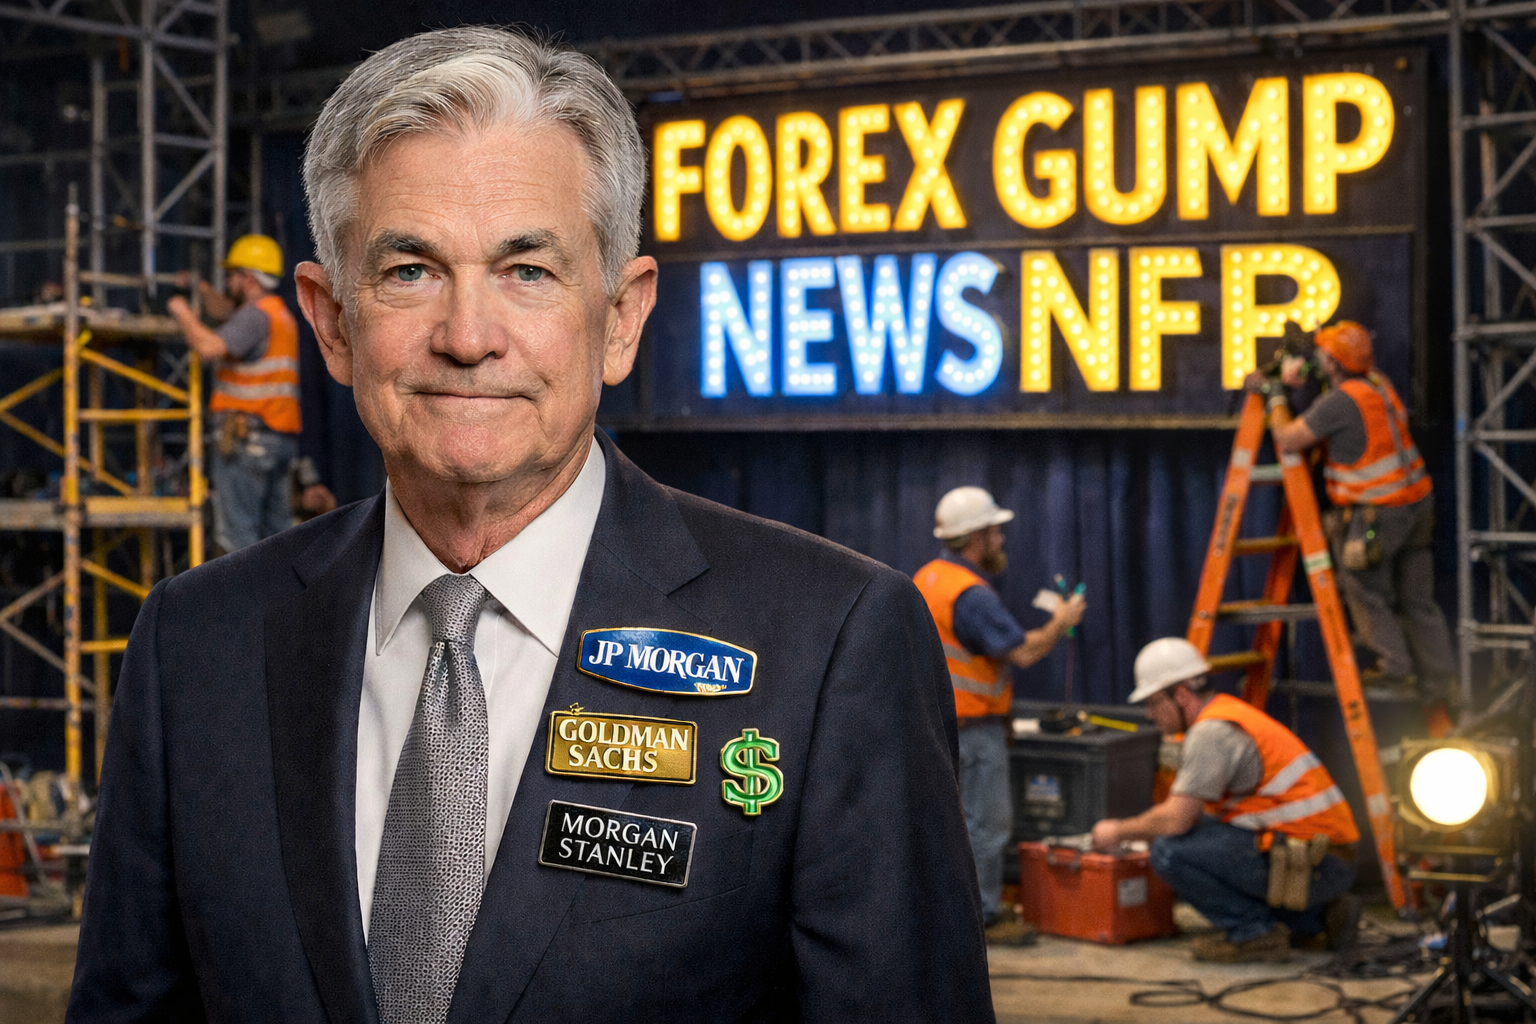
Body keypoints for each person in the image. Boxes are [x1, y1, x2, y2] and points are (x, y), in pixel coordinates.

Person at [69, 27, 994, 1023]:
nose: (469, 337)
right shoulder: (195, 645)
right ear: (331, 321)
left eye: (528, 271)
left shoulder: (832, 645)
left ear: (621, 317)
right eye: (410, 270)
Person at [1090, 638, 1361, 962]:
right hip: (1328, 858)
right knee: (1203, 833)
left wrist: (1117, 831)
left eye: (1153, 702)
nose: (1150, 714)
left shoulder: (1212, 732)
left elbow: (1176, 820)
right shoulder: (1226, 713)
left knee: (1169, 851)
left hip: (1316, 863)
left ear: (1181, 694)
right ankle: (1318, 919)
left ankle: (1254, 935)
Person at [1255, 320, 1457, 718]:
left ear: (1333, 362)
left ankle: (1395, 667)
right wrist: (1307, 372)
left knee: (1362, 586)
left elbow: (1289, 439)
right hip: (1417, 505)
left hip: (1379, 511)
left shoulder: (1340, 402)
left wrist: (1274, 393)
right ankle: (1441, 679)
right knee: (1417, 599)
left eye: (1323, 355)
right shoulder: (1378, 384)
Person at [913, 486, 1086, 945]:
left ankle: (947, 915)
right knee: (986, 827)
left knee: (945, 828)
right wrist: (1063, 620)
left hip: (934, 727)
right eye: (995, 531)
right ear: (976, 537)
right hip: (973, 731)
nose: (1001, 540)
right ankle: (985, 917)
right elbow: (1022, 652)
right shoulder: (970, 594)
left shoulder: (927, 578)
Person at [167, 235, 334, 553]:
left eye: (232, 275)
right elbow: (225, 312)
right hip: (278, 442)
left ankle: (245, 591)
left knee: (238, 543)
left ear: (248, 278)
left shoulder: (254, 316)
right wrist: (202, 290)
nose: (227, 283)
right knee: (277, 544)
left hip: (247, 443)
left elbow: (209, 347)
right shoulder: (278, 314)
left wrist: (181, 310)